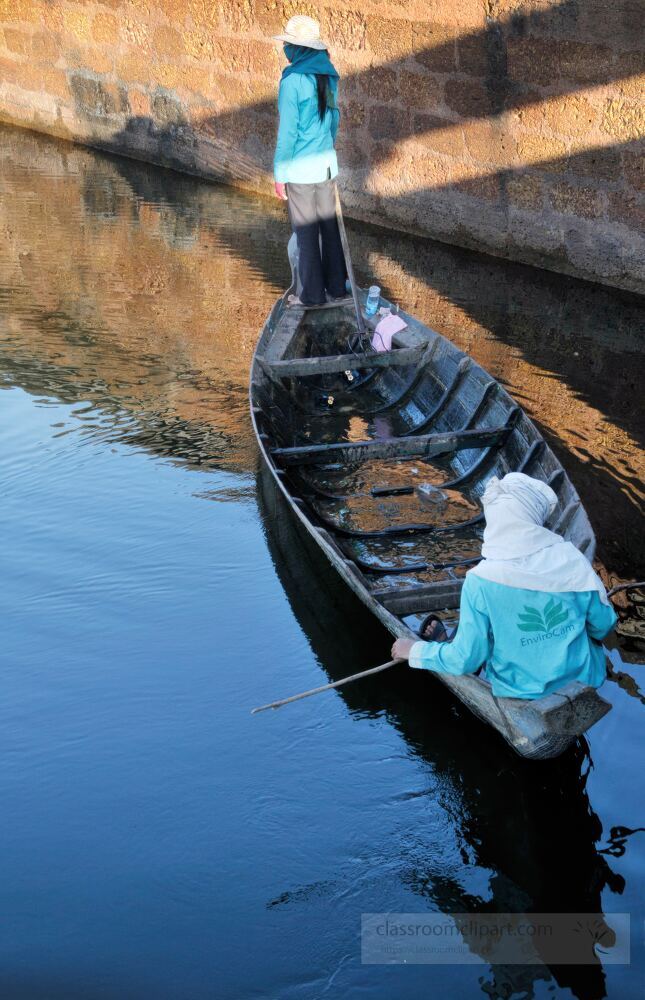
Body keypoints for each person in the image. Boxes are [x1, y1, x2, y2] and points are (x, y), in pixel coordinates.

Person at [392, 473, 617, 699]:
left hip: (522, 693)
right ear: (532, 516)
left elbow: (465, 660)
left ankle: (447, 643)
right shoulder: (571, 558)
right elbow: (602, 625)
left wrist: (412, 650)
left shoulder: (479, 581)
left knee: (480, 641)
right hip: (585, 679)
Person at [272, 15, 347, 306]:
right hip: (326, 166)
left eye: (289, 44)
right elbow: (334, 119)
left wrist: (280, 174)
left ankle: (312, 296)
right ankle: (337, 289)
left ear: (297, 48)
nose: (287, 49)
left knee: (305, 235)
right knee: (329, 230)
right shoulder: (327, 73)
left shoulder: (292, 82)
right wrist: (328, 150)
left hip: (301, 172)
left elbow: (288, 134)